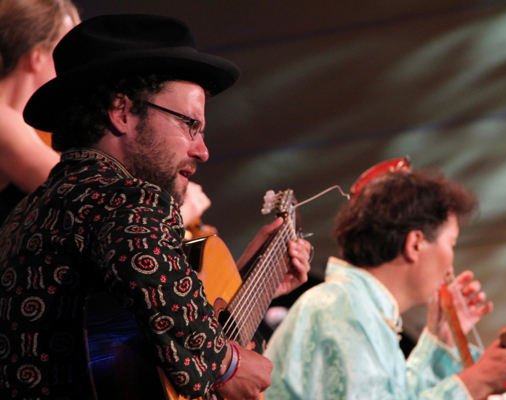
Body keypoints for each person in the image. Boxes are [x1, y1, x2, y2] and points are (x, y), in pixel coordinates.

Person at [0, 14, 311, 400]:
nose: (202, 150)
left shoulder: (23, 214)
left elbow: (137, 325)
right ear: (122, 112)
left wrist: (251, 287)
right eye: (189, 124)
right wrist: (226, 365)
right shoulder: (130, 197)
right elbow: (146, 277)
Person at [264, 159, 506, 400]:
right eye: (451, 243)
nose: (451, 265)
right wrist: (476, 381)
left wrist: (439, 338)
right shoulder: (343, 309)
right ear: (416, 244)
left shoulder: (357, 307)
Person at [0, 0, 80, 222]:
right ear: (37, 56)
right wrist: (186, 200)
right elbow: (85, 198)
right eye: (66, 52)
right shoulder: (3, 122)